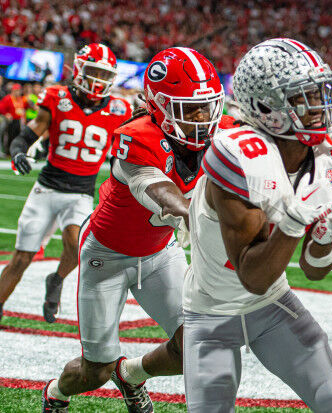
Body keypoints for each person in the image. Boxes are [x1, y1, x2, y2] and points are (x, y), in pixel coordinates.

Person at [42, 47, 229, 413]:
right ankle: (56, 392)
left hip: (159, 254)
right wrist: (191, 216)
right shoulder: (135, 136)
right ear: (159, 105)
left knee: (198, 342)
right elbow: (157, 190)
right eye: (189, 107)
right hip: (106, 256)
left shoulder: (222, 131)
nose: (202, 117)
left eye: (207, 106)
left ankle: (130, 373)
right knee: (94, 372)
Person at [183, 38, 332, 413]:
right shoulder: (237, 156)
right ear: (266, 106)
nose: (318, 105)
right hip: (212, 311)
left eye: (319, 90)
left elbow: (314, 271)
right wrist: (296, 220)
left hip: (272, 305)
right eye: (302, 96)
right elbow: (253, 275)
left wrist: (326, 238)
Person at [0, 43, 131, 324]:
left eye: (104, 73)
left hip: (80, 195)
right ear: (79, 69)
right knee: (22, 258)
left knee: (76, 247)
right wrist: (19, 151)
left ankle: (56, 280)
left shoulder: (120, 108)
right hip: (46, 189)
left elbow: (127, 149)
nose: (99, 79)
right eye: (94, 71)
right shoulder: (58, 98)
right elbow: (30, 133)